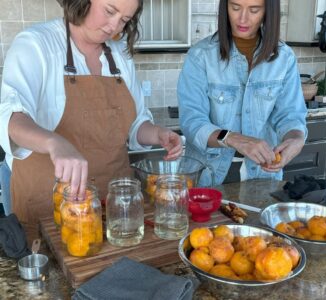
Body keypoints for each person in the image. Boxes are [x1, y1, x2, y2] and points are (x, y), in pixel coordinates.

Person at [0, 0, 183, 225]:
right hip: (49, 205)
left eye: (125, 20)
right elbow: (11, 119)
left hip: (113, 206)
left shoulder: (120, 57)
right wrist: (54, 143)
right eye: (109, 11)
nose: (114, 26)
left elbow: (135, 125)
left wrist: (157, 134)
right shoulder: (36, 44)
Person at [178, 0, 307, 186]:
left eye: (254, 10)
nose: (242, 18)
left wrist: (296, 139)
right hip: (208, 177)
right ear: (225, 8)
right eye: (235, 7)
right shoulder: (200, 56)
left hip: (263, 176)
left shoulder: (284, 58)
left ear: (267, 12)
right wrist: (233, 139)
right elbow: (192, 123)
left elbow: (290, 115)